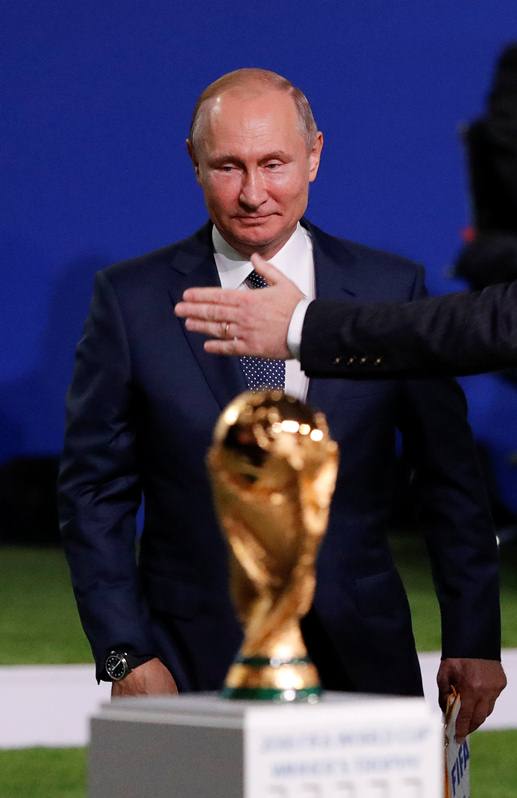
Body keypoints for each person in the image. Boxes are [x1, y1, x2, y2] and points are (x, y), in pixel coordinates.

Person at [59, 68, 505, 739]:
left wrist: (473, 636)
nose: (251, 194)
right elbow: (94, 493)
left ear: (315, 155)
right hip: (189, 656)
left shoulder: (390, 290)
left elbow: (450, 480)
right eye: (227, 167)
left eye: (273, 164)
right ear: (193, 162)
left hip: (362, 653)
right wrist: (125, 654)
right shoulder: (130, 301)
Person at [174, 260, 517, 376]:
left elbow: (495, 324)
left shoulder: (397, 280)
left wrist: (302, 326)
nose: (253, 196)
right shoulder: (134, 292)